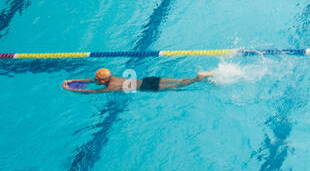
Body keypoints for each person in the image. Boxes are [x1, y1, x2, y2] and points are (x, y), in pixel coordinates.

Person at [72, 67, 214, 93]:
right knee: (177, 81)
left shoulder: (110, 88)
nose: (96, 81)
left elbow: (90, 91)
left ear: (102, 81)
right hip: (147, 80)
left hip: (147, 87)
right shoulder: (113, 78)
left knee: (177, 86)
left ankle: (197, 78)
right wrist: (74, 79)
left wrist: (70, 88)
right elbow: (92, 80)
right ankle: (201, 76)